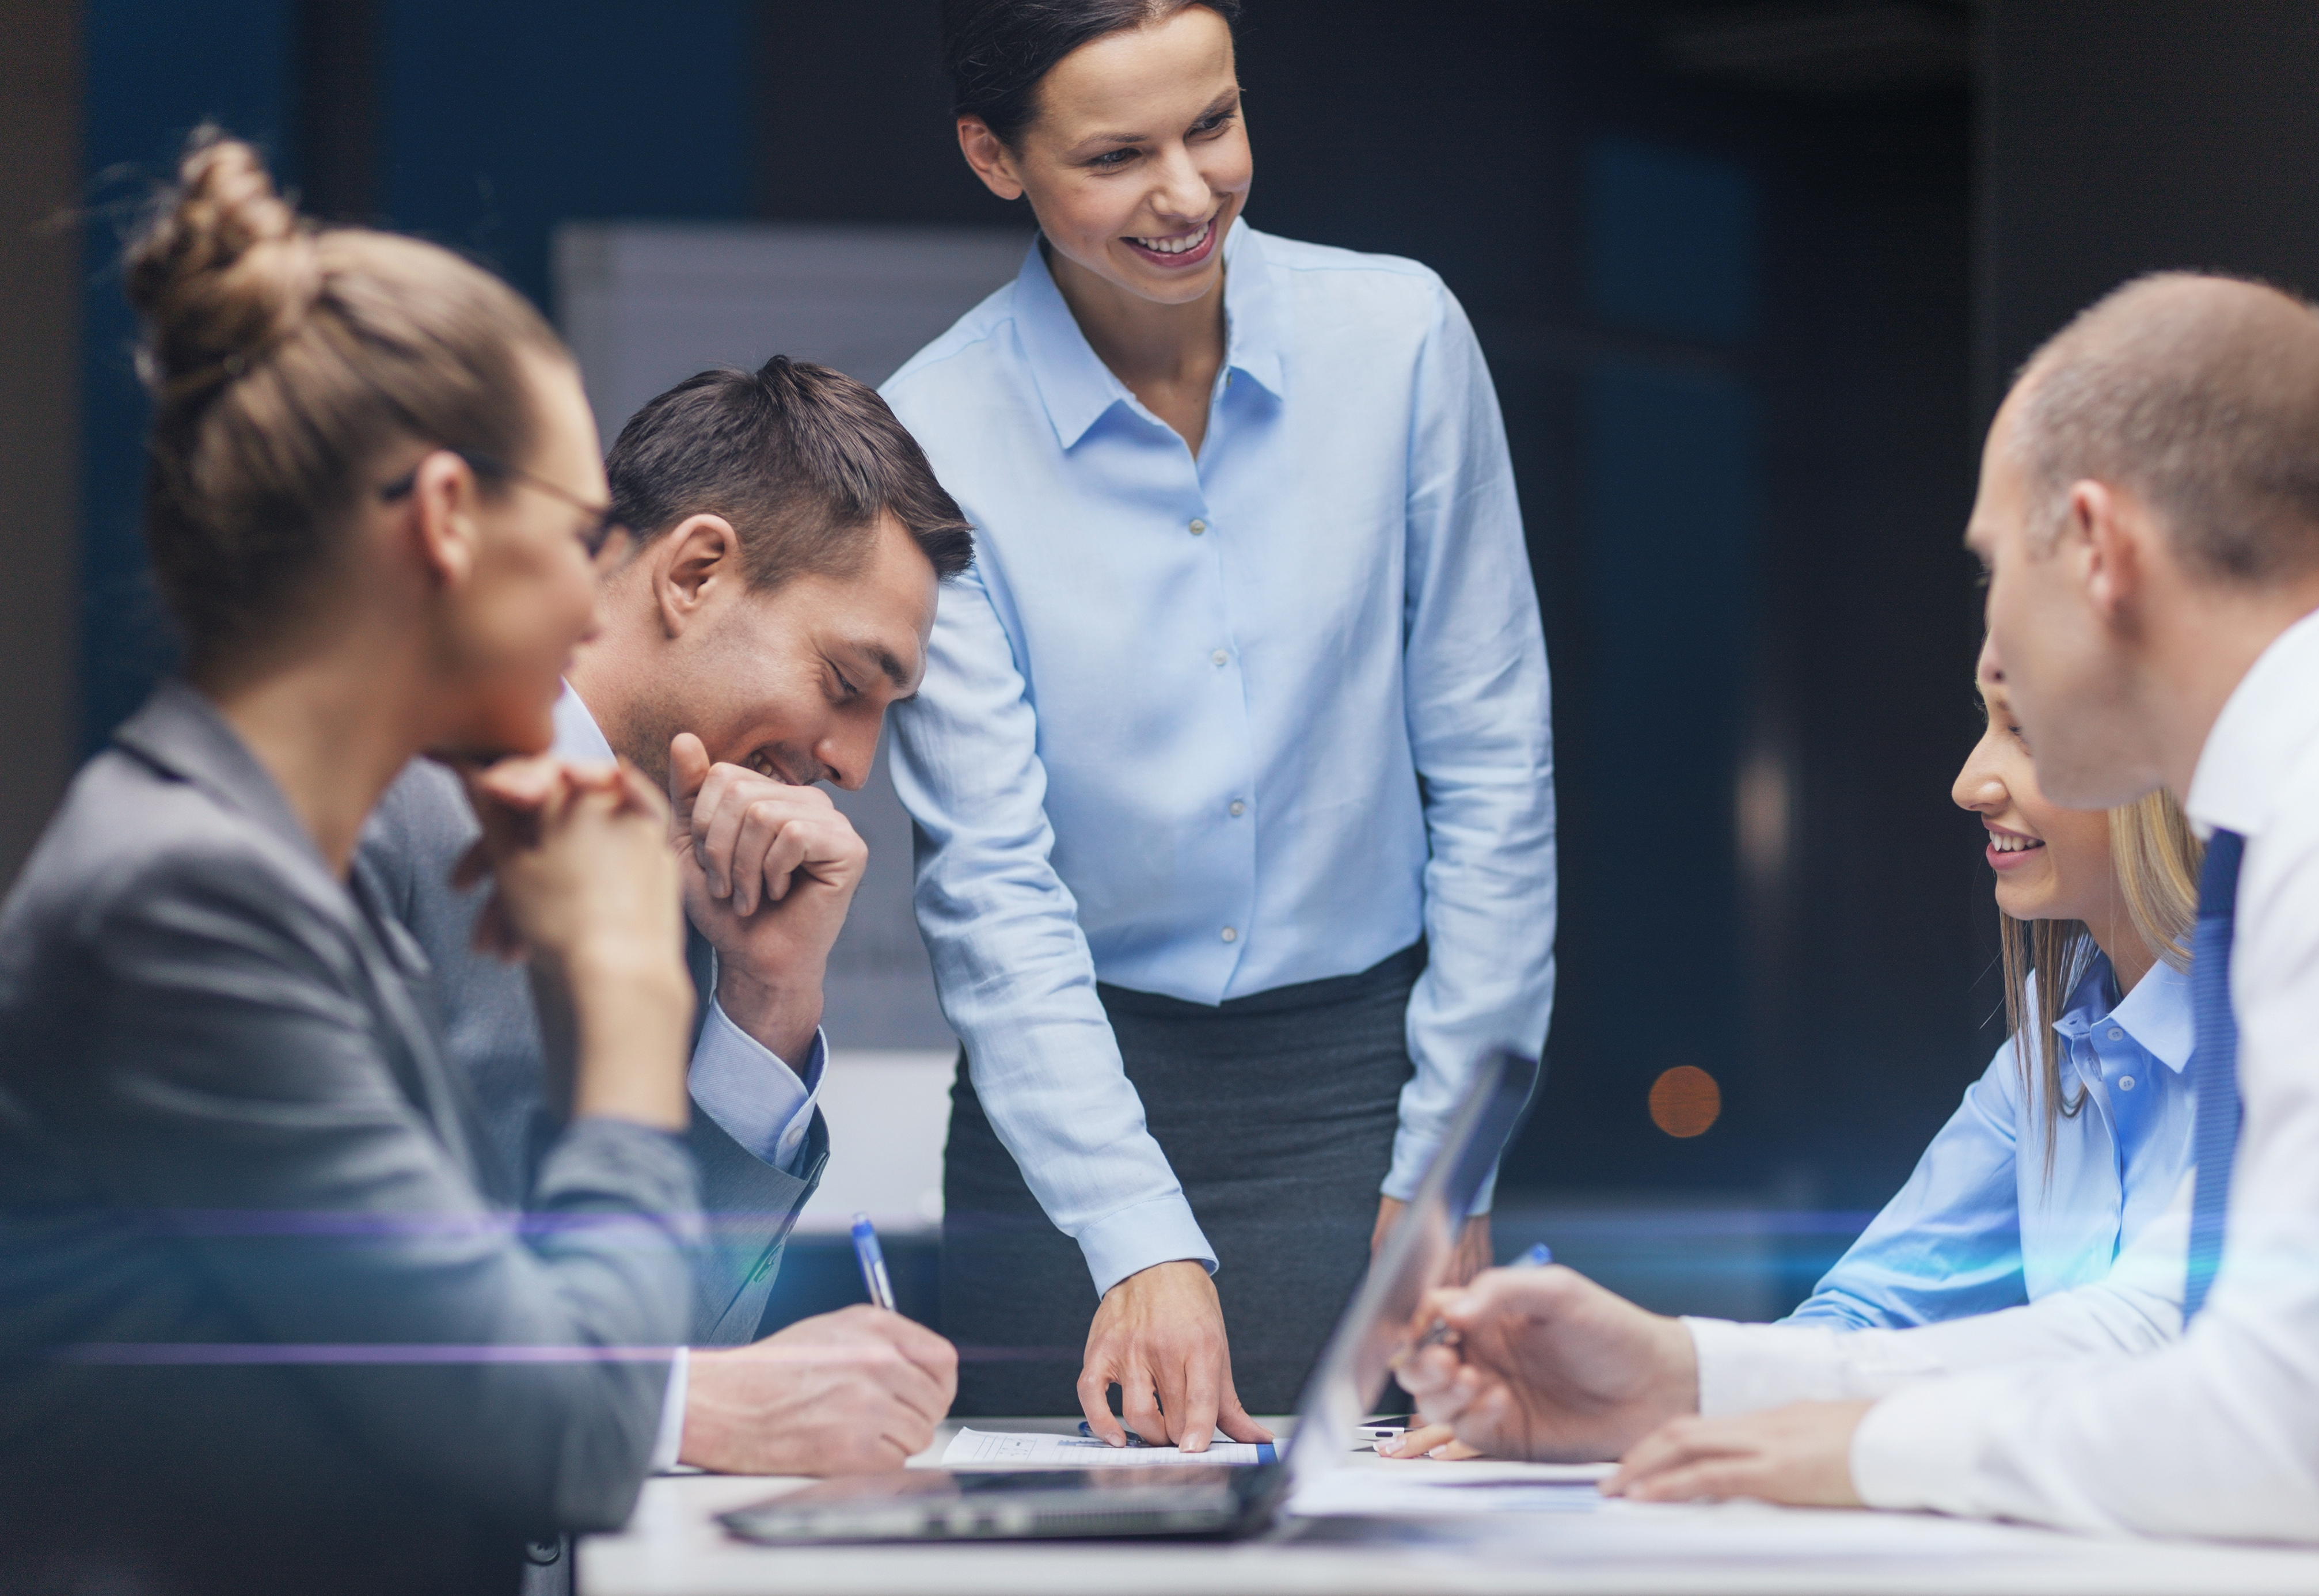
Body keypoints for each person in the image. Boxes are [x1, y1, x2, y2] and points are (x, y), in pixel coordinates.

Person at [1402, 273, 2319, 1568]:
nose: (1991, 643)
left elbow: (2294, 1433)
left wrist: (1851, 1453)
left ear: (2097, 549)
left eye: (1991, 568)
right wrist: (1681, 1378)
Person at [0, 131, 699, 1594]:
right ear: (446, 518)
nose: (593, 599)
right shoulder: (181, 901)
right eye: (580, 535)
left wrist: (585, 991)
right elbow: (566, 1433)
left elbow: (494, 1349)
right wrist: (634, 988)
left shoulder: (276, 873)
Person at [881, 0, 1555, 1443]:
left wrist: (1453, 1162)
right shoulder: (931, 435)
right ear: (994, 158)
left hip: (1359, 1101)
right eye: (1117, 155)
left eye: (1214, 123)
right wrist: (1130, 1228)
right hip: (1062, 1112)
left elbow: (1494, 766)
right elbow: (990, 877)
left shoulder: (1400, 341)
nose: (1187, 194)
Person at [358, 356, 970, 1487]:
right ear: (693, 573)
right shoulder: (375, 794)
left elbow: (676, 1333)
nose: (852, 762)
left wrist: (768, 1000)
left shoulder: (690, 877)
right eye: (845, 680)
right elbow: (288, 1306)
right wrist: (680, 1409)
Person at [1381, 640, 2200, 1459]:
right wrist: (1628, 1407)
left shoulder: (2283, 1030)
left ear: (2167, 753)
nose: (1967, 785)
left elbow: (2150, 1345)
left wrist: (1665, 1381)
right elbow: (1863, 1314)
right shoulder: (2051, 1046)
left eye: (2023, 731)